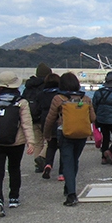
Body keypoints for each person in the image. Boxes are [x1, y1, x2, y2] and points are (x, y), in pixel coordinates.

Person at [0, 71, 36, 217]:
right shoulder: (21, 102)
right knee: (14, 169)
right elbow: (26, 124)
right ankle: (13, 198)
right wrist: (31, 142)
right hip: (15, 143)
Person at [42, 72, 96, 207]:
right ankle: (69, 187)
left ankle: (71, 194)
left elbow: (50, 118)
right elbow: (93, 118)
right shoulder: (86, 99)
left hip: (65, 133)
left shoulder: (58, 99)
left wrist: (47, 134)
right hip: (82, 134)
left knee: (67, 161)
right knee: (74, 160)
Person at [21, 62, 51, 172]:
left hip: (32, 117)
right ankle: (41, 157)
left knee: (37, 142)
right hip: (44, 117)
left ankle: (38, 166)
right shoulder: (46, 86)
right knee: (50, 140)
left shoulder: (28, 87)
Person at [92, 71, 112, 164]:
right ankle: (110, 151)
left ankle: (103, 158)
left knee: (105, 138)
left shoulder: (98, 93)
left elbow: (94, 105)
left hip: (101, 119)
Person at [37, 73, 61, 179]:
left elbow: (38, 108)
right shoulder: (60, 95)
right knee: (63, 148)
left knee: (51, 146)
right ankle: (62, 172)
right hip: (59, 121)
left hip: (45, 121)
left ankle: (48, 164)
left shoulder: (41, 94)